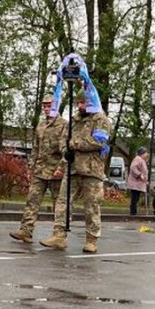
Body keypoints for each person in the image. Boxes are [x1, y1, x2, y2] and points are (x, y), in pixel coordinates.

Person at [40, 89, 112, 253]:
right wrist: (65, 149)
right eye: (78, 102)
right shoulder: (74, 120)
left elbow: (98, 141)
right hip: (72, 168)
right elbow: (64, 139)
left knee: (91, 206)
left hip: (91, 170)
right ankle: (59, 235)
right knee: (62, 202)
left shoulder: (101, 120)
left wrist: (74, 144)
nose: (80, 106)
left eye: (83, 102)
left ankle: (91, 239)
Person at [9, 95, 67, 243]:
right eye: (45, 106)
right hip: (40, 170)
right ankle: (26, 230)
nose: (47, 109)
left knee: (59, 205)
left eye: (50, 106)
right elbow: (35, 148)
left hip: (55, 171)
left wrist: (61, 168)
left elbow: (66, 151)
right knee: (32, 200)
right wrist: (30, 167)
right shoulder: (41, 125)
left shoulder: (64, 125)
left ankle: (59, 235)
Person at [127, 147, 150, 215]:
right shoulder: (138, 159)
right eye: (146, 153)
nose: (147, 154)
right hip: (135, 183)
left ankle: (134, 213)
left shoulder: (142, 160)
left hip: (138, 184)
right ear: (142, 153)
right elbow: (133, 167)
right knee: (135, 199)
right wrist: (139, 175)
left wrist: (145, 180)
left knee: (136, 199)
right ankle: (133, 213)